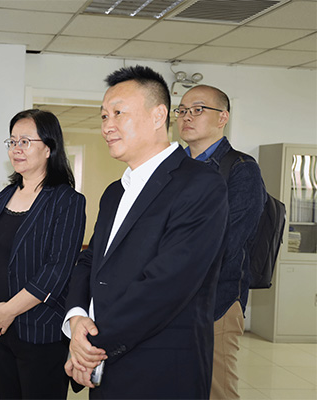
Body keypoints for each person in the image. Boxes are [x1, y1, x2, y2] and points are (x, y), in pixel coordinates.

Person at [63, 66, 229, 399]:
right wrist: (77, 318)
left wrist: (91, 345)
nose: (107, 126)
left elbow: (167, 285)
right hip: (104, 365)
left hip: (161, 369)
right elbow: (92, 261)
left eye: (118, 113)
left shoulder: (200, 184)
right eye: (104, 116)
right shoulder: (115, 192)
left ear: (158, 116)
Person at [0, 109, 86, 399]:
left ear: (48, 148)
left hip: (40, 330)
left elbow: (57, 269)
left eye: (25, 141)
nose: (16, 149)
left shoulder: (67, 201)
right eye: (12, 142)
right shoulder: (4, 196)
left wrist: (8, 310)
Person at [177, 85, 267, 399]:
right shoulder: (172, 168)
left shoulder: (240, 169)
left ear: (223, 117)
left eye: (198, 109)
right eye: (182, 110)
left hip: (215, 300)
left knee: (215, 387)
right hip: (167, 299)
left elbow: (229, 242)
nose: (187, 117)